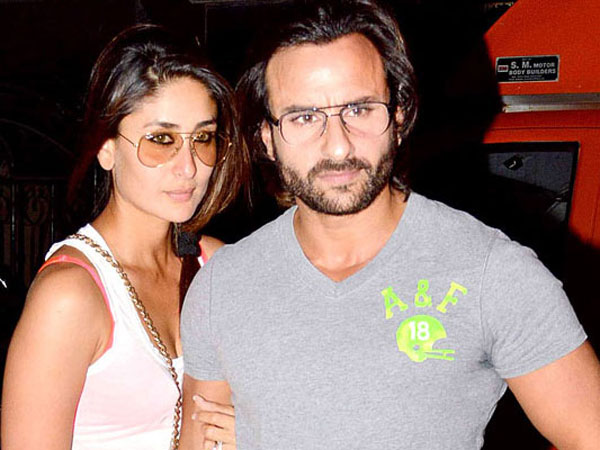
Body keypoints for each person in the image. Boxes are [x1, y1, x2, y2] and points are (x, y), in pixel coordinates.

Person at [179, 0, 600, 448]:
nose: (338, 146)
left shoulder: (490, 272)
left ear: (398, 116)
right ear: (266, 137)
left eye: (360, 110)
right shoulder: (224, 285)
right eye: (304, 117)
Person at [1, 24, 247, 450]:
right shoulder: (70, 297)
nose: (188, 166)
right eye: (161, 140)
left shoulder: (216, 266)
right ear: (107, 148)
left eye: (203, 138)